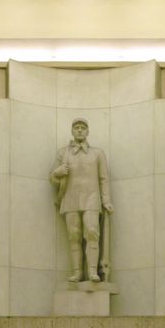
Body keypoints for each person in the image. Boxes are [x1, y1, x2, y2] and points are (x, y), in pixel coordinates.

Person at [50, 118, 113, 283]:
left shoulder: (97, 153)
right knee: (74, 235)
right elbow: (52, 179)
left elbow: (104, 178)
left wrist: (106, 200)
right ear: (72, 131)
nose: (79, 130)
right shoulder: (63, 153)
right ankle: (77, 272)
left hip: (92, 197)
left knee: (92, 232)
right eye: (76, 127)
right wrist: (57, 173)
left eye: (82, 128)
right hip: (70, 197)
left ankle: (92, 271)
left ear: (87, 131)